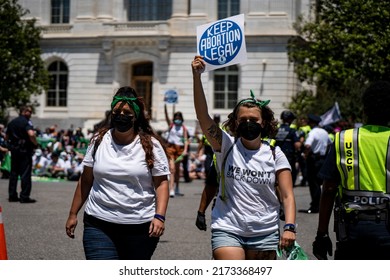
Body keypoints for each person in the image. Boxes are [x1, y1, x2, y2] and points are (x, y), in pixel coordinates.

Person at [192, 56, 296, 260]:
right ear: (235, 122)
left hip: (265, 232)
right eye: (243, 120)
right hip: (228, 229)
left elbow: (287, 195)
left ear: (264, 122)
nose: (249, 123)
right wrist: (197, 77)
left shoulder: (275, 153)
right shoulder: (225, 145)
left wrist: (290, 227)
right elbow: (203, 116)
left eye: (254, 119)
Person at [65, 86, 170, 260]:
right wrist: (72, 214)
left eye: (127, 113)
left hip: (140, 228)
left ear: (135, 116)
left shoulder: (151, 145)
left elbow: (161, 183)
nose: (121, 116)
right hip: (98, 224)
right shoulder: (98, 140)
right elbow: (85, 180)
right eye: (117, 111)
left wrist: (159, 216)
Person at [313, 81, 390, 260]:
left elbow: (329, 189)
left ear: (364, 109)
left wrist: (322, 234)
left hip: (353, 230)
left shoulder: (344, 139)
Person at [5, 105, 38, 203]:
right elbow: (31, 134)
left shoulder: (12, 122)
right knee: (25, 173)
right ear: (24, 112)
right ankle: (24, 196)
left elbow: (6, 137)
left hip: (14, 150)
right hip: (24, 150)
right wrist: (35, 143)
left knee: (14, 173)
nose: (31, 114)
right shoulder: (26, 121)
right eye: (29, 112)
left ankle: (12, 195)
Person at [300, 114, 331, 214]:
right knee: (320, 183)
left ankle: (315, 206)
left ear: (312, 123)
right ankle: (320, 205)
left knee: (314, 184)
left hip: (313, 160)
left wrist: (305, 154)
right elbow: (330, 144)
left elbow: (308, 145)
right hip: (322, 159)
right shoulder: (325, 132)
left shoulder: (313, 132)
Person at [164, 103, 190, 197]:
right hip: (171, 147)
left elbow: (186, 140)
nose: (177, 119)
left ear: (181, 119)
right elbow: (167, 116)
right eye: (176, 118)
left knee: (178, 170)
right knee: (172, 169)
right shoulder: (171, 125)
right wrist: (165, 106)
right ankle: (171, 189)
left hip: (180, 149)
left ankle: (177, 187)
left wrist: (185, 150)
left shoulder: (184, 128)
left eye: (179, 118)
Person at [275, 111, 301, 187]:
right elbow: (297, 145)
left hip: (276, 154)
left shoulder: (276, 130)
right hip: (288, 156)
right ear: (290, 120)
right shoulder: (292, 130)